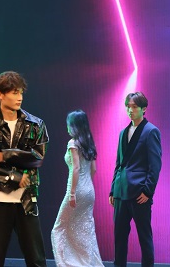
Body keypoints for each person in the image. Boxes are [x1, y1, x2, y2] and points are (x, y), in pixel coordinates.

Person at [0, 71, 49, 267]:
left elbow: (38, 157)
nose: (20, 97)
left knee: (36, 259)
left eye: (21, 92)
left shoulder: (36, 124)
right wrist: (13, 176)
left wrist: (6, 154)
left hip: (26, 199)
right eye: (15, 92)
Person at [109, 92, 162, 267]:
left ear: (143, 109)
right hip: (120, 192)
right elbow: (118, 163)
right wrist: (113, 189)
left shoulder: (151, 131)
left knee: (144, 237)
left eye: (134, 107)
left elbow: (155, 165)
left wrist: (147, 191)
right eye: (128, 106)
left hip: (139, 193)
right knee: (119, 238)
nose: (130, 110)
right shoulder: (123, 132)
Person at [51, 110, 105, 267]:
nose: (67, 128)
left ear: (74, 126)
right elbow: (93, 169)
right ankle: (87, 262)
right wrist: (86, 186)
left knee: (58, 227)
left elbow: (75, 168)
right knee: (85, 228)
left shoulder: (73, 143)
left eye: (69, 124)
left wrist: (73, 193)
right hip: (89, 191)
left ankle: (66, 263)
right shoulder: (89, 143)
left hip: (76, 190)